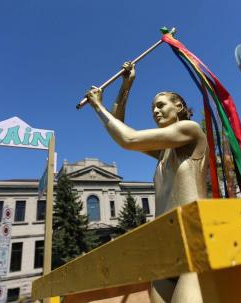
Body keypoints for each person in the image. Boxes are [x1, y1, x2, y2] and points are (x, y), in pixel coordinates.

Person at [85, 62, 207, 303]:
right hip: (165, 247)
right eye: (153, 108)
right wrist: (126, 86)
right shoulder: (163, 151)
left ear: (179, 106)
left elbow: (128, 139)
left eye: (161, 105)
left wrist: (97, 106)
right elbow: (120, 126)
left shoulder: (190, 130)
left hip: (192, 243)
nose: (155, 111)